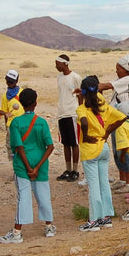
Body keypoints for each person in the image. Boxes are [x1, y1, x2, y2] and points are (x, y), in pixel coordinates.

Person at [0, 88, 56, 243]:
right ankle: (49, 226)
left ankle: (17, 232)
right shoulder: (42, 122)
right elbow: (50, 146)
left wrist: (29, 168)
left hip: (22, 165)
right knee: (43, 195)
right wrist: (37, 167)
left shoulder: (16, 123)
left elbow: (19, 147)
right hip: (40, 163)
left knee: (23, 196)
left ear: (21, 104)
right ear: (35, 103)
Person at [76, 76, 127, 232]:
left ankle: (93, 220)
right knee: (104, 183)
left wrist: (86, 134)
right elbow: (122, 117)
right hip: (103, 147)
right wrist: (107, 131)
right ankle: (106, 217)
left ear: (83, 92)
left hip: (90, 150)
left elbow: (83, 121)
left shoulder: (82, 109)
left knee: (94, 186)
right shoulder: (103, 105)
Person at [99, 54, 129, 190]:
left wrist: (92, 85)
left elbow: (106, 85)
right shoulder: (121, 79)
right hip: (116, 120)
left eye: (118, 69)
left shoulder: (127, 79)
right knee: (117, 150)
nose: (116, 72)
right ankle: (122, 179)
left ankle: (128, 182)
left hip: (123, 121)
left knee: (124, 151)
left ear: (125, 70)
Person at [54, 54, 82, 182]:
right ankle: (68, 169)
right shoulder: (59, 77)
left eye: (57, 64)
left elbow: (80, 96)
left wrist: (81, 112)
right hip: (61, 113)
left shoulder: (76, 77)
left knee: (74, 143)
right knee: (65, 143)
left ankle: (75, 171)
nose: (56, 66)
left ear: (65, 64)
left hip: (72, 113)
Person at [0, 69, 25, 163]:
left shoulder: (22, 93)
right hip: (11, 125)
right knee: (11, 146)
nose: (9, 83)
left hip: (22, 124)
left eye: (11, 81)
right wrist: (6, 125)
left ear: (16, 81)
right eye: (8, 81)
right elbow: (4, 111)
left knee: (22, 145)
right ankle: (15, 166)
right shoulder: (5, 96)